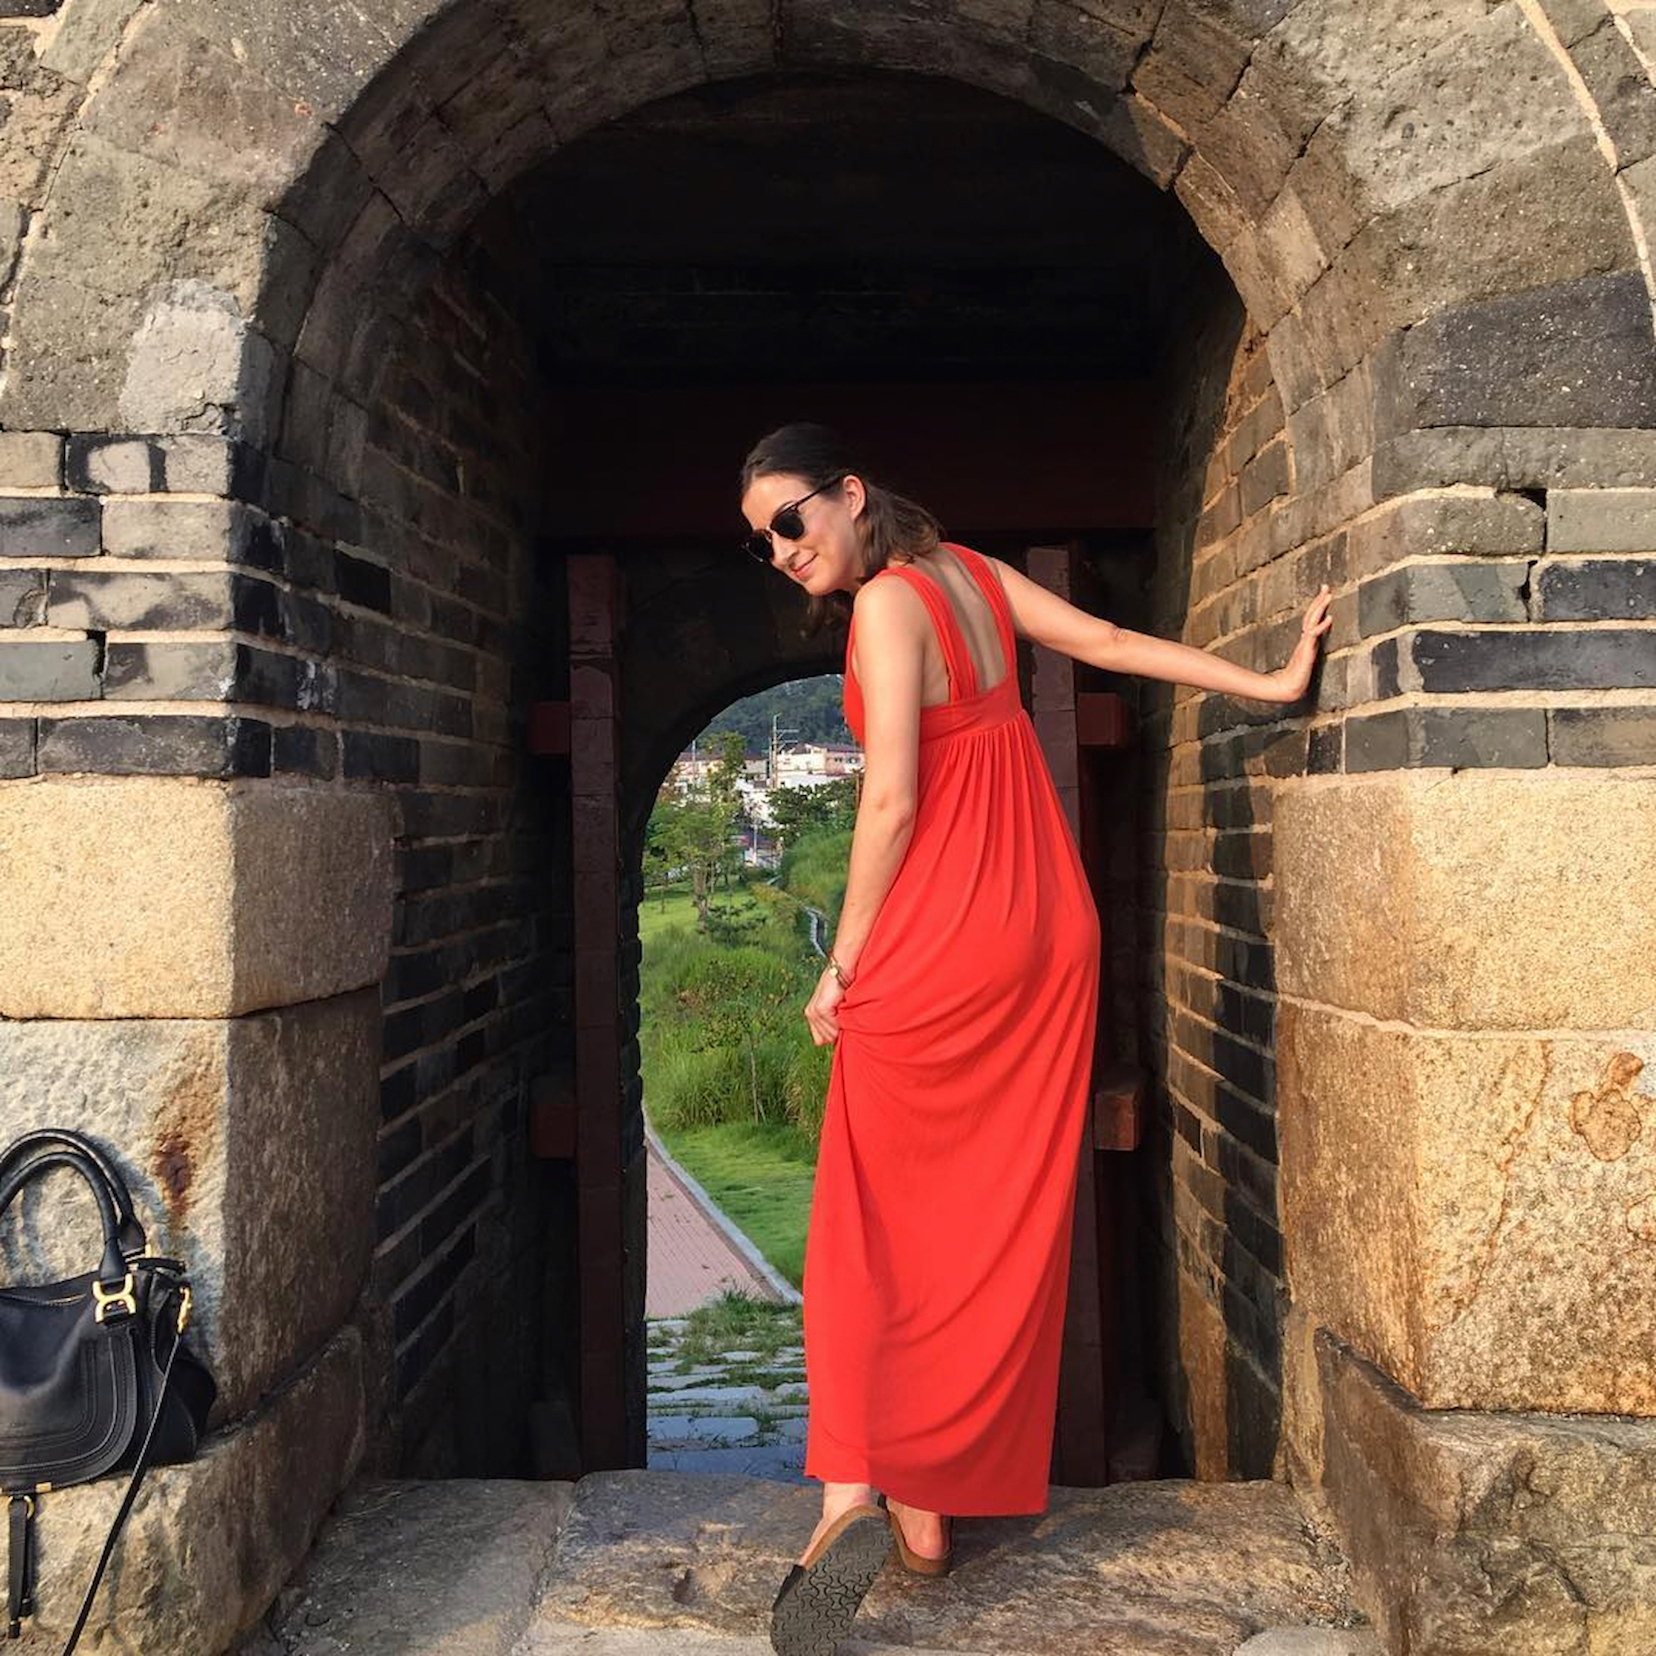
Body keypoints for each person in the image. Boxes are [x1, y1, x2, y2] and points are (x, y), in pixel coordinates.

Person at [741, 423, 1331, 1656]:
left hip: (946, 931)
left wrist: (841, 964)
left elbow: (892, 798)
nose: (783, 550)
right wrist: (1269, 682)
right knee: (979, 1216)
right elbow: (1109, 644)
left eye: (791, 520)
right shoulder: (974, 575)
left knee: (865, 1221)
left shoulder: (886, 606)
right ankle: (926, 1505)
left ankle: (853, 1494)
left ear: (849, 494)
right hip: (1047, 926)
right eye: (762, 543)